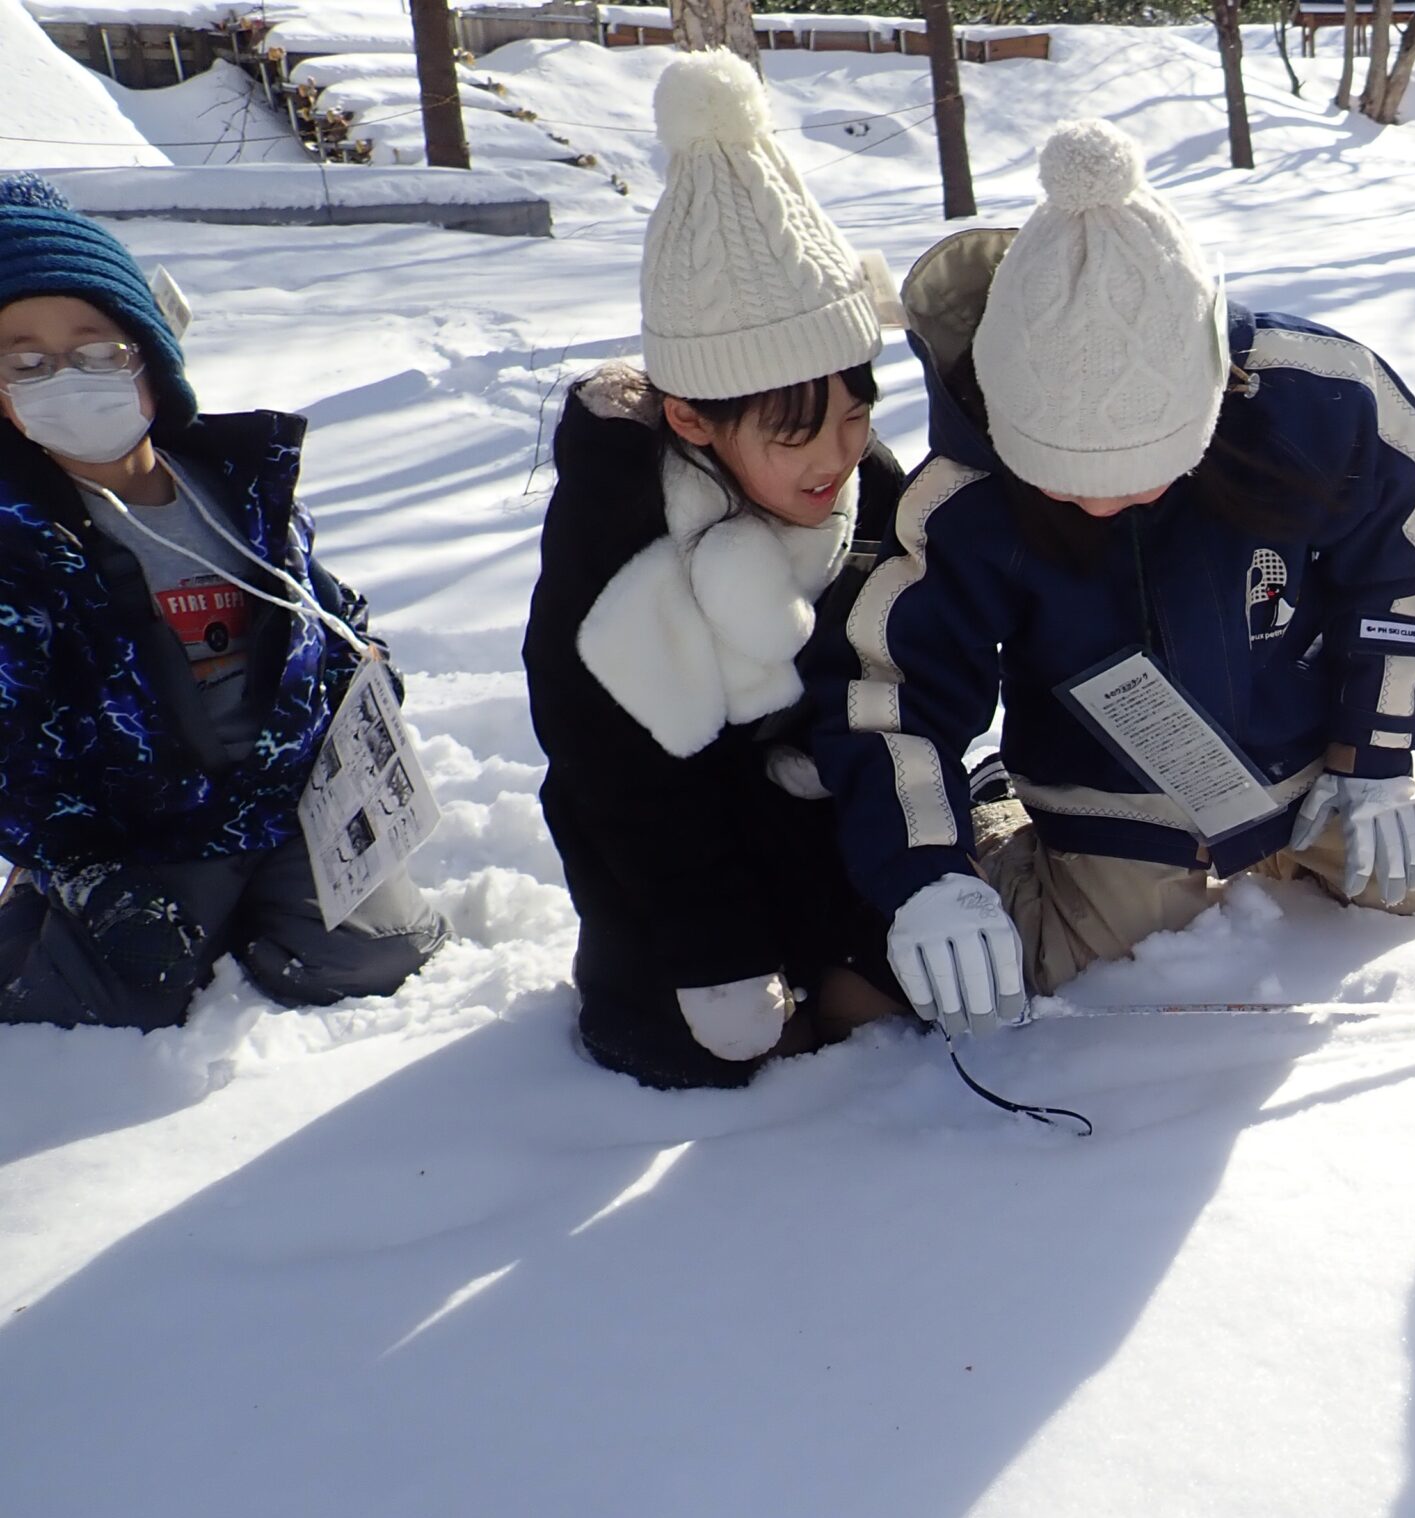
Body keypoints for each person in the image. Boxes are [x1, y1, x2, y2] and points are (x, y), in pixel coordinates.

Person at [803, 120, 1415, 1033]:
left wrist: (1373, 759)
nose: (1101, 506)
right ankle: (998, 816)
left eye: (1142, 475)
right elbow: (895, 692)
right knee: (1044, 964)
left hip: (1309, 765)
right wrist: (927, 875)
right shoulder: (965, 495)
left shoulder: (1324, 401)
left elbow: (1405, 575)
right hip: (1110, 795)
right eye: (1065, 483)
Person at [523, 51, 908, 1089]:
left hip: (816, 819)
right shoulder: (622, 539)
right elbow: (621, 776)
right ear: (693, 420)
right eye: (795, 434)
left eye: (855, 415)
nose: (836, 456)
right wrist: (717, 955)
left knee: (895, 1000)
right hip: (660, 844)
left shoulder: (866, 485)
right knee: (692, 1047)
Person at [0, 174, 446, 1030]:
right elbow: (12, 748)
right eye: (27, 363)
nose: (68, 378)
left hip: (285, 804)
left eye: (98, 352)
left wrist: (362, 672)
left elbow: (322, 609)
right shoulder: (21, 545)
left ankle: (251, 909)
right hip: (140, 829)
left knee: (377, 956)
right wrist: (84, 866)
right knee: (103, 1002)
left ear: (151, 364)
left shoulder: (239, 490)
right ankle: (45, 907)